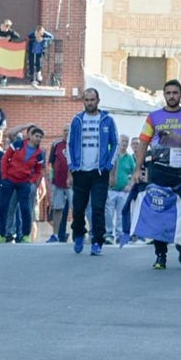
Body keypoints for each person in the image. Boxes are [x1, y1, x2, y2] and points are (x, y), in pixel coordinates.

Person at [132, 79, 181, 269]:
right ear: (164, 95)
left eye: (175, 93)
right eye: (168, 93)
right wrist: (137, 169)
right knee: (159, 213)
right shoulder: (153, 117)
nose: (172, 96)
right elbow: (143, 143)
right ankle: (160, 255)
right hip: (159, 170)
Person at [67, 88, 118, 256]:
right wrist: (72, 167)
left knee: (98, 208)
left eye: (92, 99)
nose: (89, 103)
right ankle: (79, 234)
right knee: (79, 208)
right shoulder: (77, 120)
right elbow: (69, 144)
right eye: (87, 99)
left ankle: (97, 241)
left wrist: (108, 166)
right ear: (83, 101)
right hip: (80, 171)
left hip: (99, 172)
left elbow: (115, 144)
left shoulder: (107, 120)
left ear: (98, 100)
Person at [0, 127, 45, 243]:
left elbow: (39, 170)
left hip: (24, 183)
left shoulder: (39, 154)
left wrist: (31, 181)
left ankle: (25, 235)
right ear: (30, 136)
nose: (38, 139)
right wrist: (4, 176)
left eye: (40, 137)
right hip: (9, 180)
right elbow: (5, 159)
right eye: (36, 136)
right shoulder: (18, 144)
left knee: (25, 209)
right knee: (4, 206)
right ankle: (1, 234)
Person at [105, 135, 135, 244]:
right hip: (110, 190)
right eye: (122, 141)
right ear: (118, 142)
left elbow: (134, 171)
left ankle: (120, 235)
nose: (124, 143)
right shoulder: (111, 154)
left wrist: (130, 185)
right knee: (108, 213)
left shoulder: (129, 158)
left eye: (126, 141)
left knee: (121, 214)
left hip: (123, 191)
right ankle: (108, 234)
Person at [46, 126, 70, 242]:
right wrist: (51, 178)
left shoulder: (76, 143)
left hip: (72, 183)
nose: (67, 132)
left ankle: (79, 233)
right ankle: (55, 234)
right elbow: (51, 162)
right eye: (65, 130)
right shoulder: (56, 144)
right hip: (58, 182)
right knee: (57, 208)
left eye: (69, 130)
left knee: (78, 208)